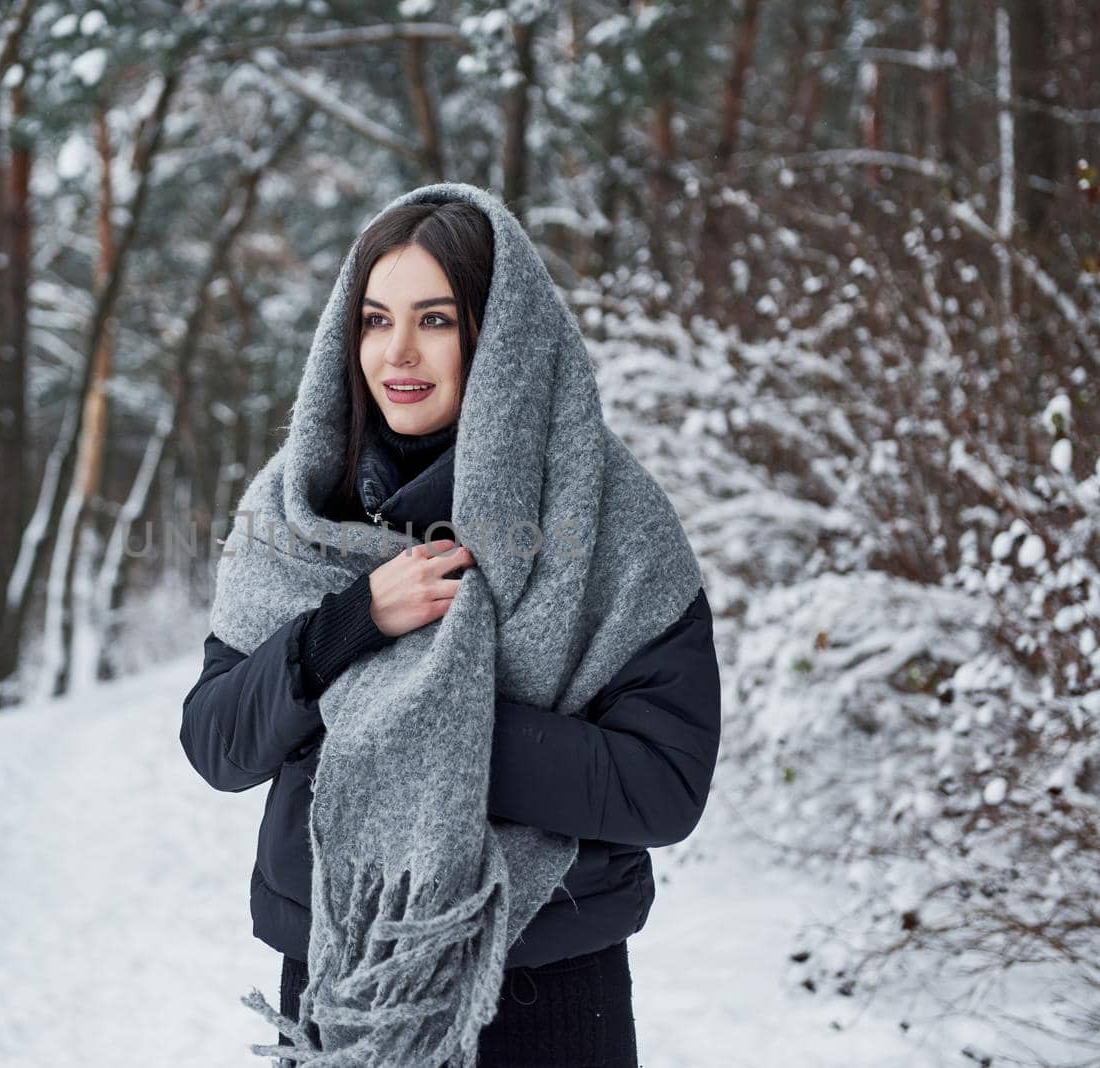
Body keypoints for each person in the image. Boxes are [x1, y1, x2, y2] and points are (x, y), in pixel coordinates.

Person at [181, 194, 721, 1066]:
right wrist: (347, 629)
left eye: (435, 319)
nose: (396, 353)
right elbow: (216, 743)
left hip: (547, 979)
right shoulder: (293, 512)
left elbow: (662, 786)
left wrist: (423, 721)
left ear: (500, 334)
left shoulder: (615, 526)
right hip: (342, 976)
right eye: (374, 320)